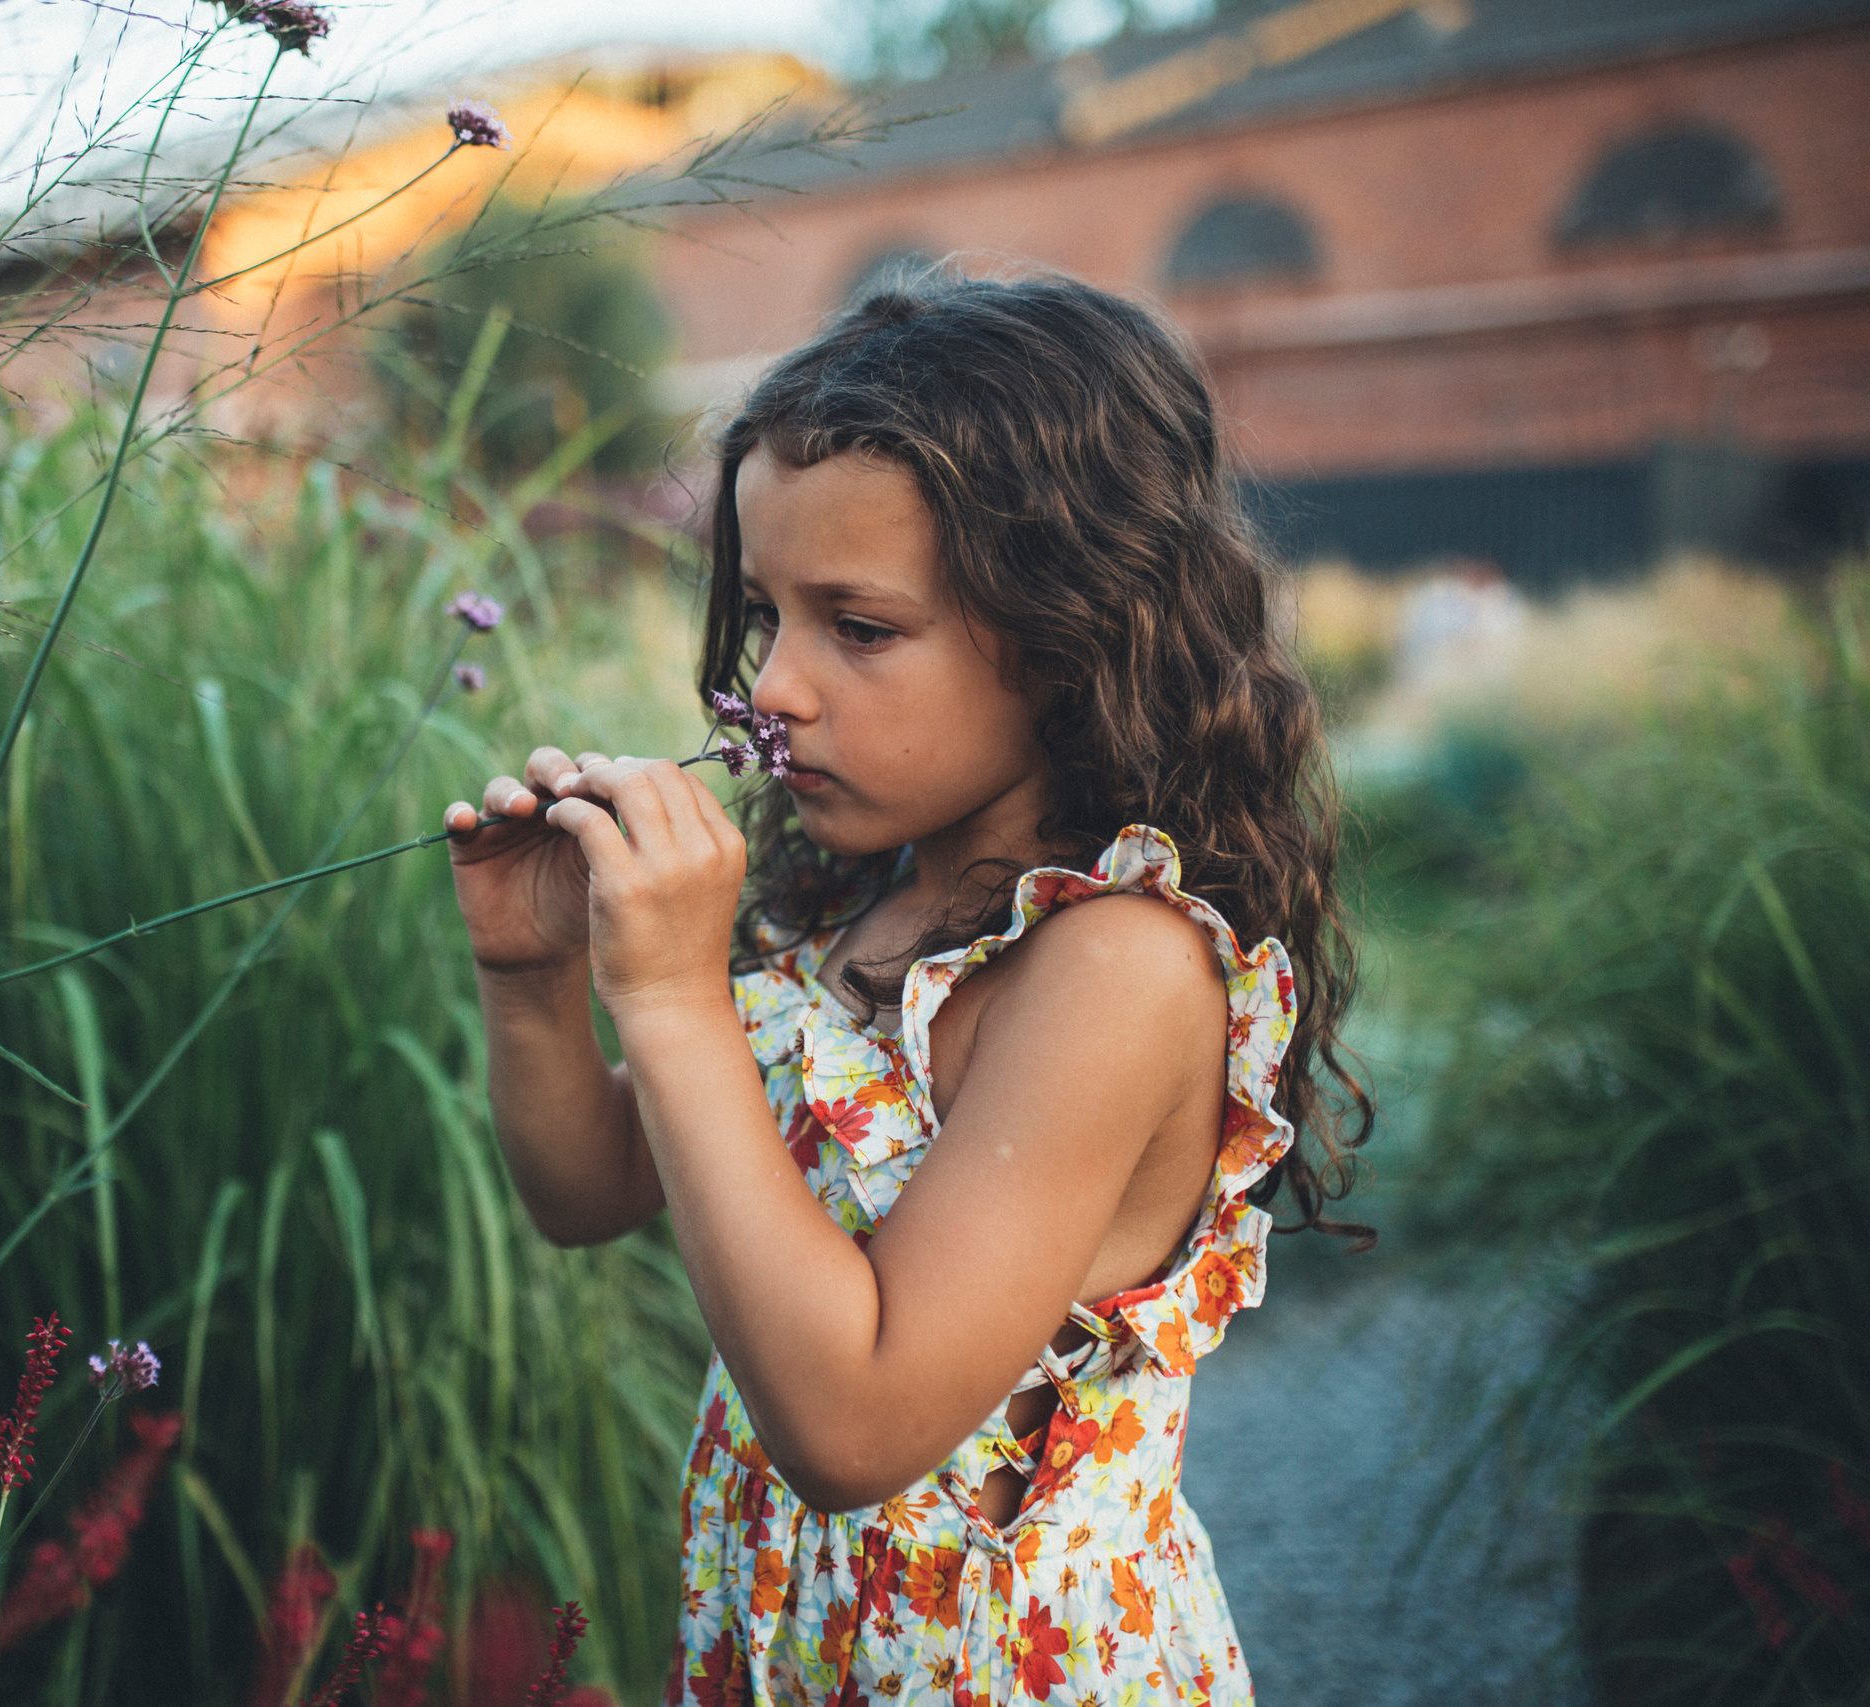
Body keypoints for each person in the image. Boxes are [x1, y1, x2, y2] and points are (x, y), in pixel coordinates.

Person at [441, 273, 1369, 1705]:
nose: (776, 691)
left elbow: (856, 1426)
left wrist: (682, 999)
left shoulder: (1117, 965)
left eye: (858, 629)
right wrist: (536, 976)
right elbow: (591, 1190)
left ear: (1068, 626)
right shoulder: (865, 911)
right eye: (765, 619)